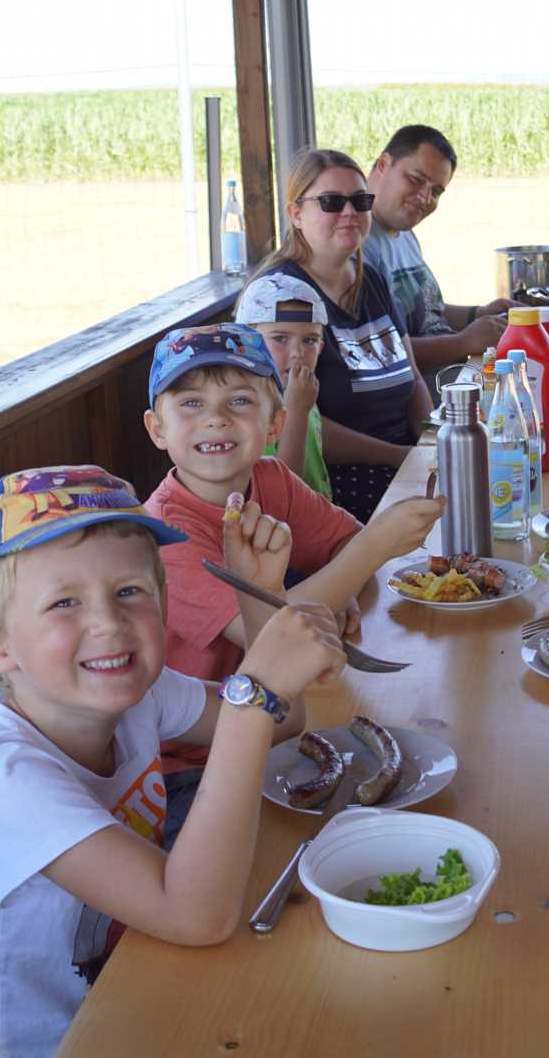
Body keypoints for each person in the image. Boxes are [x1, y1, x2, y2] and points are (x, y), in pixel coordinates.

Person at [0, 464, 346, 1055]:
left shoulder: (136, 690)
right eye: (64, 602)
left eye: (129, 593)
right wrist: (254, 696)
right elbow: (196, 916)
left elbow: (285, 721)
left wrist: (255, 597)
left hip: (134, 984)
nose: (108, 625)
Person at [139, 323, 442, 845]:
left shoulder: (271, 479)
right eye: (190, 403)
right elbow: (274, 634)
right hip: (194, 764)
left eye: (239, 400)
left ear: (275, 422)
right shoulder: (166, 536)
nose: (216, 417)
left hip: (283, 723)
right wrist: (373, 550)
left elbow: (341, 543)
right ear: (157, 428)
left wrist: (338, 587)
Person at [247, 148, 431, 522]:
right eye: (331, 202)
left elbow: (412, 376)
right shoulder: (280, 299)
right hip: (344, 485)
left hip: (405, 465)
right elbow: (294, 424)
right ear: (296, 213)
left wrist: (432, 441)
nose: (349, 212)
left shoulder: (371, 279)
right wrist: (400, 458)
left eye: (360, 201)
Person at [360, 125, 513, 377]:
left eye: (436, 191)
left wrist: (479, 314)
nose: (425, 197)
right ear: (383, 164)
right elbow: (381, 351)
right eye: (415, 180)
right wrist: (463, 342)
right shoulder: (357, 242)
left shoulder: (404, 232)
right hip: (430, 389)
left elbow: (425, 309)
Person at [235, 272, 332, 500]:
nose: (298, 353)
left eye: (310, 340)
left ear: (321, 347)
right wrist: (296, 411)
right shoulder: (248, 408)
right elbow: (284, 492)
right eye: (280, 338)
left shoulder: (299, 389)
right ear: (247, 343)